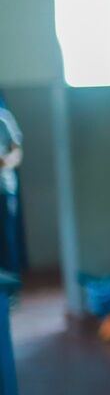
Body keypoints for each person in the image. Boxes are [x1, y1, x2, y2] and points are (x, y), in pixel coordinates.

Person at [0, 91, 26, 274]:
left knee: (6, 239)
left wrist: (4, 162)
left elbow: (16, 154)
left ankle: (11, 292)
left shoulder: (3, 119)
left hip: (3, 190)